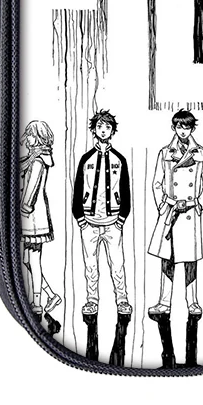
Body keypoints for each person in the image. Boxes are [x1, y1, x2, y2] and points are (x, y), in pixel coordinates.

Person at [147, 110, 203, 317]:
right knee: (167, 259)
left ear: (192, 129)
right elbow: (156, 183)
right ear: (173, 128)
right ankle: (164, 302)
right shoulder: (165, 153)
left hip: (190, 212)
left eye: (187, 127)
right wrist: (163, 205)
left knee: (190, 261)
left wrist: (198, 204)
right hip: (170, 211)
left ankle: (192, 302)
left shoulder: (202, 154)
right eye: (179, 127)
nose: (183, 131)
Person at [72, 110, 132, 316]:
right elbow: (78, 188)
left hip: (113, 222)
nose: (103, 130)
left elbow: (125, 190)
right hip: (88, 223)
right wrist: (80, 218)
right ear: (94, 130)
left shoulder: (119, 159)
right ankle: (92, 300)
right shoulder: (86, 159)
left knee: (117, 264)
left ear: (113, 130)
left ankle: (122, 300)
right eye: (99, 126)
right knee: (90, 265)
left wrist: (121, 218)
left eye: (107, 127)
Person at [19, 120, 61, 318]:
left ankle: (37, 303)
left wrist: (24, 207)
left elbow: (32, 188)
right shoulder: (34, 158)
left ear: (37, 138)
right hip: (33, 217)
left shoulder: (37, 161)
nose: (26, 138)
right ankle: (51, 295)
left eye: (29, 135)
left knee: (33, 260)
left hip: (33, 217)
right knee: (27, 259)